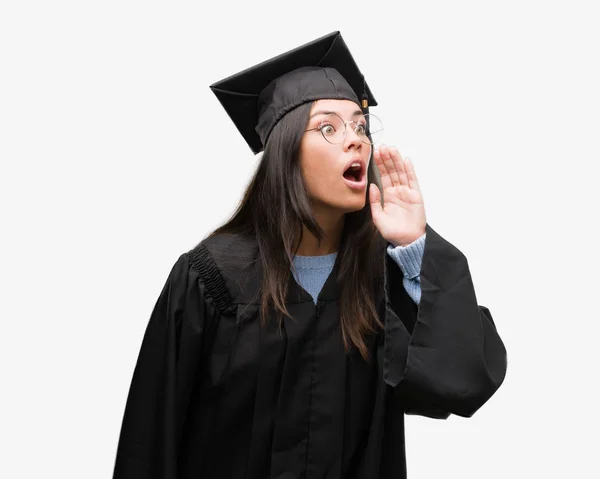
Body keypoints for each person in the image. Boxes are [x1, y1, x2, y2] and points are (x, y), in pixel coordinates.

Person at [112, 31, 507, 479]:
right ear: (286, 153)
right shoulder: (213, 278)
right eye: (328, 128)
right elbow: (152, 437)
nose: (356, 140)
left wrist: (414, 249)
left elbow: (463, 383)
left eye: (361, 126)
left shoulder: (380, 276)